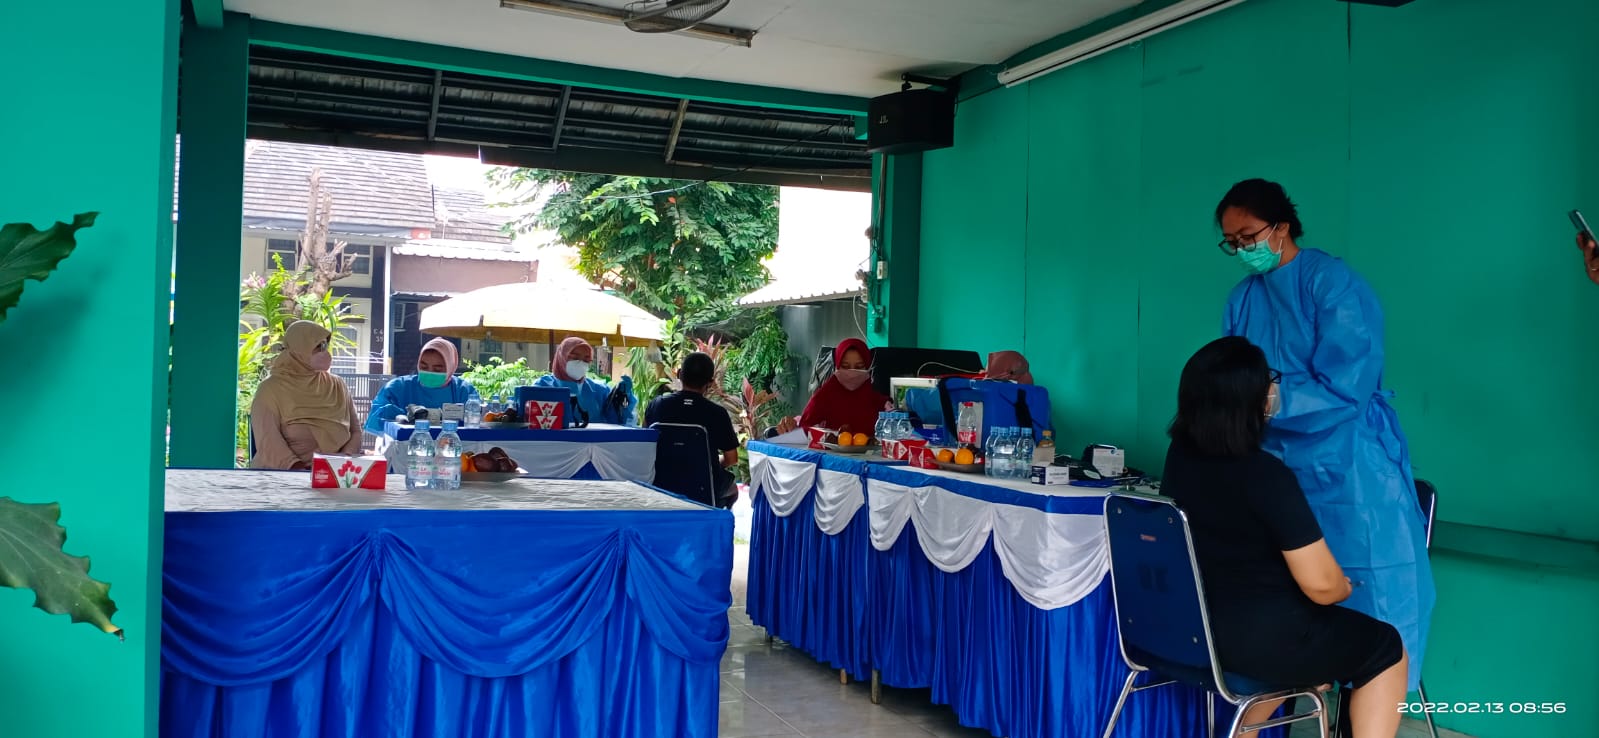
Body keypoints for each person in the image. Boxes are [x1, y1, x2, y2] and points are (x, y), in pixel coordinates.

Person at [1215, 178, 1434, 691]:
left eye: (1249, 237)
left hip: (1349, 469)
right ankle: (1302, 700)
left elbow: (1347, 384)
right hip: (1274, 467)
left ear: (1282, 226)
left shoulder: (1331, 284)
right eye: (1232, 242)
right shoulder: (1243, 299)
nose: (1242, 250)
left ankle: (1370, 709)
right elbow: (1229, 375)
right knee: (1286, 604)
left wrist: (1274, 399)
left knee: (1375, 600)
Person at [1163, 336, 1407, 738]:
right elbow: (1322, 587)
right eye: (1268, 380)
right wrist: (1342, 587)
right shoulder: (1265, 476)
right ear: (1252, 400)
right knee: (1386, 647)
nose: (1274, 388)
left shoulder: (1179, 458)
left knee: (1292, 647)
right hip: (1259, 643)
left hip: (1191, 633)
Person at [250, 321, 363, 470]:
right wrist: (300, 471)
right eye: (318, 347)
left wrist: (343, 461)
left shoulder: (337, 385)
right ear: (299, 349)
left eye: (325, 346)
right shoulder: (270, 389)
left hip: (337, 473)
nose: (325, 352)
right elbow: (268, 442)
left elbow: (356, 431)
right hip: (283, 475)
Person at [645, 352, 739, 508]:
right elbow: (732, 459)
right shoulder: (717, 413)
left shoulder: (657, 405)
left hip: (661, 485)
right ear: (710, 382)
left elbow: (645, 443)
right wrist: (706, 462)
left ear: (679, 374)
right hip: (703, 490)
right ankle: (715, 518)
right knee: (733, 489)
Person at [777, 338, 892, 434]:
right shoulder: (823, 398)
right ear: (837, 366)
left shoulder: (880, 404)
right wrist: (790, 426)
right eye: (845, 366)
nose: (852, 372)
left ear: (868, 367)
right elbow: (804, 430)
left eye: (859, 367)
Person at [365, 338, 480, 433]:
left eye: (437, 369)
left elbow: (476, 424)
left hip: (452, 448)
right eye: (424, 367)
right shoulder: (398, 388)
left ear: (451, 367)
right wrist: (396, 415)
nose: (430, 372)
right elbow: (376, 417)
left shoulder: (463, 391)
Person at [533, 337, 637, 426]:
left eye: (586, 360)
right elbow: (529, 421)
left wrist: (624, 396)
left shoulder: (599, 391)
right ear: (561, 357)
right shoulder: (542, 387)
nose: (580, 363)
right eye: (575, 357)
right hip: (553, 443)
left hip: (593, 443)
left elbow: (619, 421)